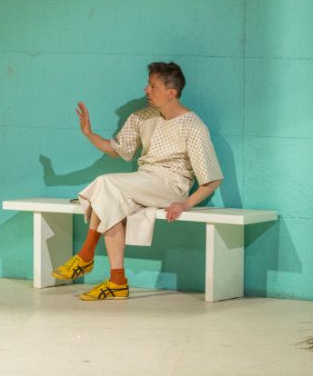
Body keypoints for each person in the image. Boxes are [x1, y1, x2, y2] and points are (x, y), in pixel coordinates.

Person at [52, 61, 224, 301]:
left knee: (106, 185)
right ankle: (117, 281)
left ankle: (86, 254)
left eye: (153, 86)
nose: (146, 90)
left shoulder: (194, 126)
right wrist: (89, 133)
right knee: (109, 196)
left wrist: (185, 204)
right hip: (144, 181)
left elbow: (212, 179)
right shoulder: (142, 117)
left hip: (171, 186)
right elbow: (118, 150)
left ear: (171, 92)